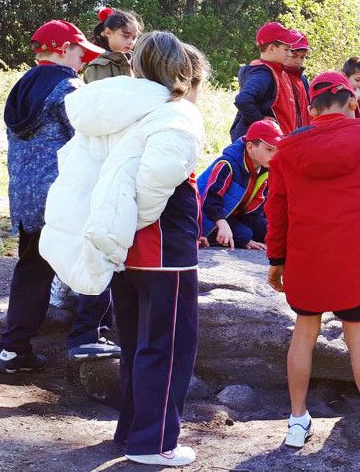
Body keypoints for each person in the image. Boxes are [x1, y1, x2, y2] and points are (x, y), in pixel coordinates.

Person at [47, 32, 209, 466]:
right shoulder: (177, 115)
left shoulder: (124, 109)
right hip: (160, 248)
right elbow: (156, 180)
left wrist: (119, 229)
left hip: (123, 247)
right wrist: (133, 222)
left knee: (138, 341)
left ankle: (133, 430)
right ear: (184, 73)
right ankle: (154, 444)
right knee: (169, 345)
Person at [265, 71, 360, 455]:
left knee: (304, 333)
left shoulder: (287, 149)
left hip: (306, 257)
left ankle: (297, 422)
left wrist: (276, 258)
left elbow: (276, 207)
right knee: (359, 340)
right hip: (353, 259)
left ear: (311, 108)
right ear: (350, 100)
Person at [0, 19, 118, 374]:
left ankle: (13, 351)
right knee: (97, 253)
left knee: (33, 268)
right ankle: (88, 335)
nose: (85, 61)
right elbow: (92, 138)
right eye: (82, 53)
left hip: (25, 198)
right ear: (64, 49)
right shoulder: (68, 88)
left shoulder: (21, 87)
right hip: (64, 194)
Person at [196, 119, 282, 251]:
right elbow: (209, 201)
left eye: (276, 150)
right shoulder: (227, 164)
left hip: (236, 215)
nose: (274, 155)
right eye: (269, 149)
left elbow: (256, 208)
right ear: (250, 147)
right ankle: (215, 237)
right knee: (244, 235)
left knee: (272, 232)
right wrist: (223, 224)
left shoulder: (266, 168)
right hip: (210, 216)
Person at [230, 22, 299, 140]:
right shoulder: (263, 74)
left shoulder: (277, 71)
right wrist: (261, 122)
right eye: (286, 49)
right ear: (271, 48)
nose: (290, 54)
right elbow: (243, 99)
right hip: (263, 145)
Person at [83, 7, 142, 82]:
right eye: (126, 36)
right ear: (108, 32)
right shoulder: (99, 65)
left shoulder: (136, 62)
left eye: (134, 38)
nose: (131, 42)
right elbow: (101, 93)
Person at [286, 31, 312, 128]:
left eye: (302, 57)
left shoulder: (302, 78)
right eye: (294, 56)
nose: (298, 61)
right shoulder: (277, 76)